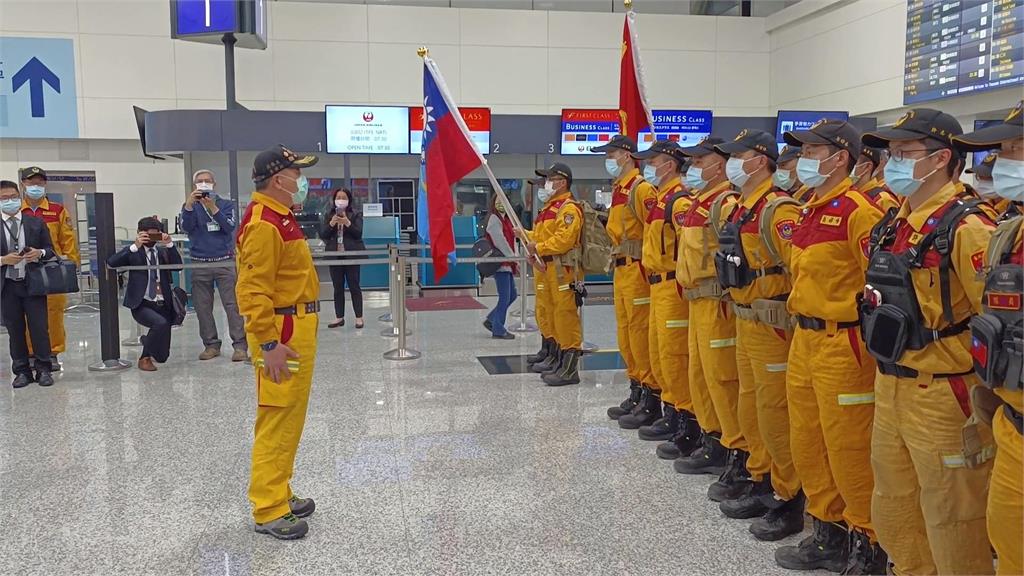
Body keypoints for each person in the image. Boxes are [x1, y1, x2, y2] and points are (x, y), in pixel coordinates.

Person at [858, 109, 995, 575]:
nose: (891, 161)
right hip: (891, 384)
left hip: (942, 393)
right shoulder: (896, 221)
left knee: (951, 515)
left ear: (939, 159)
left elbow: (994, 319)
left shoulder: (968, 227)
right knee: (894, 505)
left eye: (903, 153)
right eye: (890, 153)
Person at [776, 119, 886, 573]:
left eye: (812, 150)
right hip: (804, 338)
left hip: (844, 343)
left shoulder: (861, 210)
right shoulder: (808, 208)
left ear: (840, 157)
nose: (803, 159)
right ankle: (827, 529)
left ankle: (869, 540)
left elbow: (880, 285)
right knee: (807, 437)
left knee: (848, 445)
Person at [713, 130, 805, 541]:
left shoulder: (777, 210)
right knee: (751, 407)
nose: (734, 162)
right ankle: (761, 476)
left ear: (762, 160)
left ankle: (788, 496)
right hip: (743, 317)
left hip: (770, 323)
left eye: (741, 155)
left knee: (775, 411)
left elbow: (798, 271)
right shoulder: (741, 208)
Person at [954, 99, 1024, 576]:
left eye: (1017, 148)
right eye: (1003, 149)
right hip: (1013, 423)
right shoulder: (1011, 232)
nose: (1003, 161)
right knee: (1008, 544)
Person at [236, 145, 320, 540]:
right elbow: (252, 291)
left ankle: (280, 492)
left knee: (290, 417)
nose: (300, 181)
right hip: (282, 333)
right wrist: (268, 344)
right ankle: (268, 508)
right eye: (296, 173)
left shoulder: (282, 217)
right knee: (276, 415)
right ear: (277, 179)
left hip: (296, 327)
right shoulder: (263, 223)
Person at [674, 137, 752, 502]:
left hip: (717, 305)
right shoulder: (697, 203)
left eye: (701, 159)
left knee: (723, 380)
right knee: (700, 375)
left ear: (719, 165)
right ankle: (713, 439)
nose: (693, 166)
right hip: (696, 303)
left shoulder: (725, 203)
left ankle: (737, 451)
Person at [618, 141, 694, 440]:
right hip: (655, 282)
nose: (648, 167)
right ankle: (664, 406)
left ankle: (684, 419)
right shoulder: (662, 197)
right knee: (657, 351)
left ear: (670, 164)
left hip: (672, 285)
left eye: (654, 161)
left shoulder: (679, 201)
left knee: (674, 355)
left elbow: (687, 249)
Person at [592, 135, 658, 420]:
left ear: (628, 155)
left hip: (638, 269)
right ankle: (636, 390)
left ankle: (651, 398)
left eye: (613, 153)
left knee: (641, 334)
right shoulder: (619, 188)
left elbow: (654, 232)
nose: (609, 159)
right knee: (627, 334)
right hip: (621, 269)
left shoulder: (641, 190)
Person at [523, 163, 584, 387]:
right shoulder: (548, 208)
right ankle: (554, 357)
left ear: (562, 182)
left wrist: (537, 247)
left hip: (562, 271)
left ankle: (569, 369)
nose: (546, 184)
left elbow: (564, 240)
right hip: (546, 269)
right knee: (547, 312)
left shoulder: (568, 209)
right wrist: (526, 236)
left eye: (550, 179)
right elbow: (542, 238)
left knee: (564, 315)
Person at [180, 169, 247, 362]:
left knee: (232, 305)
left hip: (224, 260)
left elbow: (229, 227)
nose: (203, 184)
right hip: (200, 262)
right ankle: (211, 345)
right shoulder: (189, 207)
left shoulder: (226, 205)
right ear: (194, 186)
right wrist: (190, 206)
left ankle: (240, 346)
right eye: (199, 182)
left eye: (207, 181)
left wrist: (213, 209)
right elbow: (186, 227)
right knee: (203, 307)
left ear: (214, 184)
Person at [19, 166, 79, 370]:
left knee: (54, 312)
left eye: (40, 182)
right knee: (26, 314)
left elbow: (68, 241)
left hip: (51, 271)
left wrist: (71, 268)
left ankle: (52, 352)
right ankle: (30, 353)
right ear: (23, 184)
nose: (35, 186)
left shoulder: (57, 210)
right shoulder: (16, 212)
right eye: (31, 182)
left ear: (45, 185)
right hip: (23, 271)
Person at [106, 216, 182, 372]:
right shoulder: (134, 252)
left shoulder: (162, 252)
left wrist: (169, 244)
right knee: (160, 323)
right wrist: (135, 245)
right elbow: (112, 263)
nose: (152, 238)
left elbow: (178, 266)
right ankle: (144, 358)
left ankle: (146, 340)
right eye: (148, 234)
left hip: (163, 303)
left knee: (162, 357)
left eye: (156, 234)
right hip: (142, 303)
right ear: (140, 233)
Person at [0, 180, 56, 388]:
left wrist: (39, 253)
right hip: (7, 286)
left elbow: (50, 250)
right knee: (15, 330)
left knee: (40, 328)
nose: (10, 201)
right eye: (4, 198)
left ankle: (43, 369)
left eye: (13, 197)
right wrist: (3, 260)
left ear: (20, 196)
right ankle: (22, 371)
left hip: (33, 284)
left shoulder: (35, 222)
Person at [319, 187, 365, 329]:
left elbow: (358, 233)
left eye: (343, 197)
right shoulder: (329, 214)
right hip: (335, 255)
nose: (340, 200)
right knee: (337, 286)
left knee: (354, 286)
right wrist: (332, 223)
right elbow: (323, 234)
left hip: (351, 254)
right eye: (338, 197)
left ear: (349, 200)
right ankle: (339, 317)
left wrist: (347, 223)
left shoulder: (356, 214)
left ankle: (359, 318)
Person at [483, 194, 518, 339]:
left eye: (504, 201)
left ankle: (492, 319)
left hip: (508, 262)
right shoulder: (494, 219)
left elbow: (512, 240)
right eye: (498, 201)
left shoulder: (507, 220)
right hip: (501, 263)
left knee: (512, 295)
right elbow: (499, 240)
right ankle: (498, 329)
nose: (501, 204)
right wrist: (512, 256)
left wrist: (516, 258)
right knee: (505, 296)